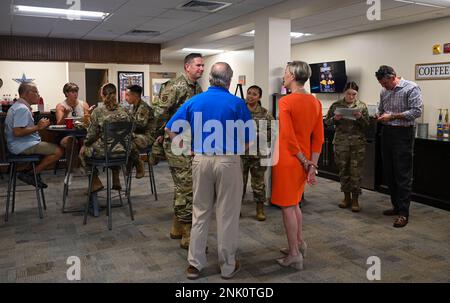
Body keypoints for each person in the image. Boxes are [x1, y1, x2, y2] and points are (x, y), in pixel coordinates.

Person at [165, 62, 255, 280]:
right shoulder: (237, 103)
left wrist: (187, 149)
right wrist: (236, 151)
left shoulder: (195, 100)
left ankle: (194, 265)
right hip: (228, 162)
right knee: (227, 215)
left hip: (201, 160)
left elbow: (169, 129)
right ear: (229, 80)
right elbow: (251, 139)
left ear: (211, 78)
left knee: (200, 212)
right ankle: (227, 266)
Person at [271, 61, 324, 271]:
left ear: (292, 75)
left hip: (289, 159)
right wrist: (312, 165)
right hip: (306, 161)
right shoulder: (315, 102)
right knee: (295, 204)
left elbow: (288, 137)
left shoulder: (286, 102)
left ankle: (294, 254)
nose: (283, 77)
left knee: (287, 207)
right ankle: (299, 243)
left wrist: (303, 161)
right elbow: (318, 137)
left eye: (285, 73)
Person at [152, 53, 204, 249]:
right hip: (175, 142)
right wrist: (159, 134)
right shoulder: (175, 86)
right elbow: (159, 113)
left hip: (189, 142)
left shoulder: (197, 88)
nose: (201, 69)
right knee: (187, 185)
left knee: (185, 184)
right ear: (187, 66)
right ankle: (188, 233)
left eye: (203, 66)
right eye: (198, 65)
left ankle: (176, 226)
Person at [375, 65, 422, 228]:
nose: (383, 87)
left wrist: (393, 116)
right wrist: (379, 115)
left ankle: (403, 213)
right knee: (389, 172)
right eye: (381, 84)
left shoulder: (411, 88)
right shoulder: (383, 91)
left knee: (403, 174)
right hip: (387, 133)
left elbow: (416, 111)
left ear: (392, 77)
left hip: (403, 134)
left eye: (385, 83)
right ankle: (396, 206)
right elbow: (381, 109)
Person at [5, 82, 64, 187]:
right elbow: (17, 132)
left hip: (20, 144)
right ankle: (30, 174)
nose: (39, 95)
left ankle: (30, 170)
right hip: (22, 145)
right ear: (28, 93)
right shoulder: (22, 109)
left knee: (49, 147)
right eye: (36, 92)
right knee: (58, 151)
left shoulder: (18, 106)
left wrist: (39, 126)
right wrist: (38, 127)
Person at [324, 81, 369, 212]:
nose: (351, 97)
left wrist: (360, 117)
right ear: (345, 93)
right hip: (341, 143)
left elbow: (366, 125)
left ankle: (355, 200)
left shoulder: (362, 106)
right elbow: (326, 122)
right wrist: (335, 119)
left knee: (356, 172)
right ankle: (346, 197)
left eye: (354, 94)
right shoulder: (336, 105)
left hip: (357, 144)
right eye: (349, 94)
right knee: (343, 171)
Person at [79, 83, 131, 193]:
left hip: (106, 153)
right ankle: (116, 178)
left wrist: (85, 143)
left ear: (102, 95)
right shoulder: (125, 110)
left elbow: (91, 136)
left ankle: (95, 181)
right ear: (116, 94)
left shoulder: (98, 111)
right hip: (124, 151)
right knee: (113, 147)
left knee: (83, 152)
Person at [241, 85, 274, 221]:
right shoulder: (240, 111)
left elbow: (273, 131)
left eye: (254, 94)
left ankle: (259, 209)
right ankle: (236, 209)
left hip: (258, 155)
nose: (250, 96)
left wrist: (258, 135)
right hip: (241, 154)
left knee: (258, 183)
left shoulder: (265, 114)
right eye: (249, 93)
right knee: (238, 183)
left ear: (259, 97)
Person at [55, 83, 95, 180]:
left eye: (76, 91)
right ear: (66, 93)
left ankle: (87, 168)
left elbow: (88, 123)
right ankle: (70, 170)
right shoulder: (61, 106)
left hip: (81, 133)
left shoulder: (83, 104)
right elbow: (59, 124)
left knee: (86, 141)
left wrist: (89, 115)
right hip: (66, 134)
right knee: (71, 141)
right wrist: (65, 114)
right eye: (72, 92)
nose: (75, 94)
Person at [125, 84, 155, 178]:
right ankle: (131, 162)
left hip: (148, 136)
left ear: (135, 95)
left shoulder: (143, 107)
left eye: (127, 95)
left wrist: (126, 118)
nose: (125, 98)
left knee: (128, 142)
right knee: (124, 140)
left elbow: (140, 124)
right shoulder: (134, 106)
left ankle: (138, 163)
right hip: (139, 135)